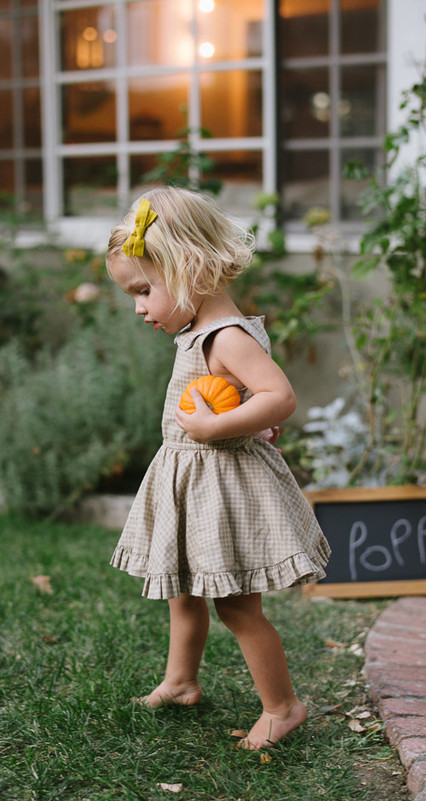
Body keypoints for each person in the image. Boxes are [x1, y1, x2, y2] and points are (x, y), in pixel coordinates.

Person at [106, 187, 330, 750]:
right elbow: (251, 401)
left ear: (189, 269)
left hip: (224, 488)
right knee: (184, 592)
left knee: (236, 605)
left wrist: (215, 427)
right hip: (196, 483)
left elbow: (279, 396)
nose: (139, 307)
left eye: (144, 290)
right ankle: (181, 681)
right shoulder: (199, 331)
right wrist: (244, 420)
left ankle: (282, 706)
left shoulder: (226, 336)